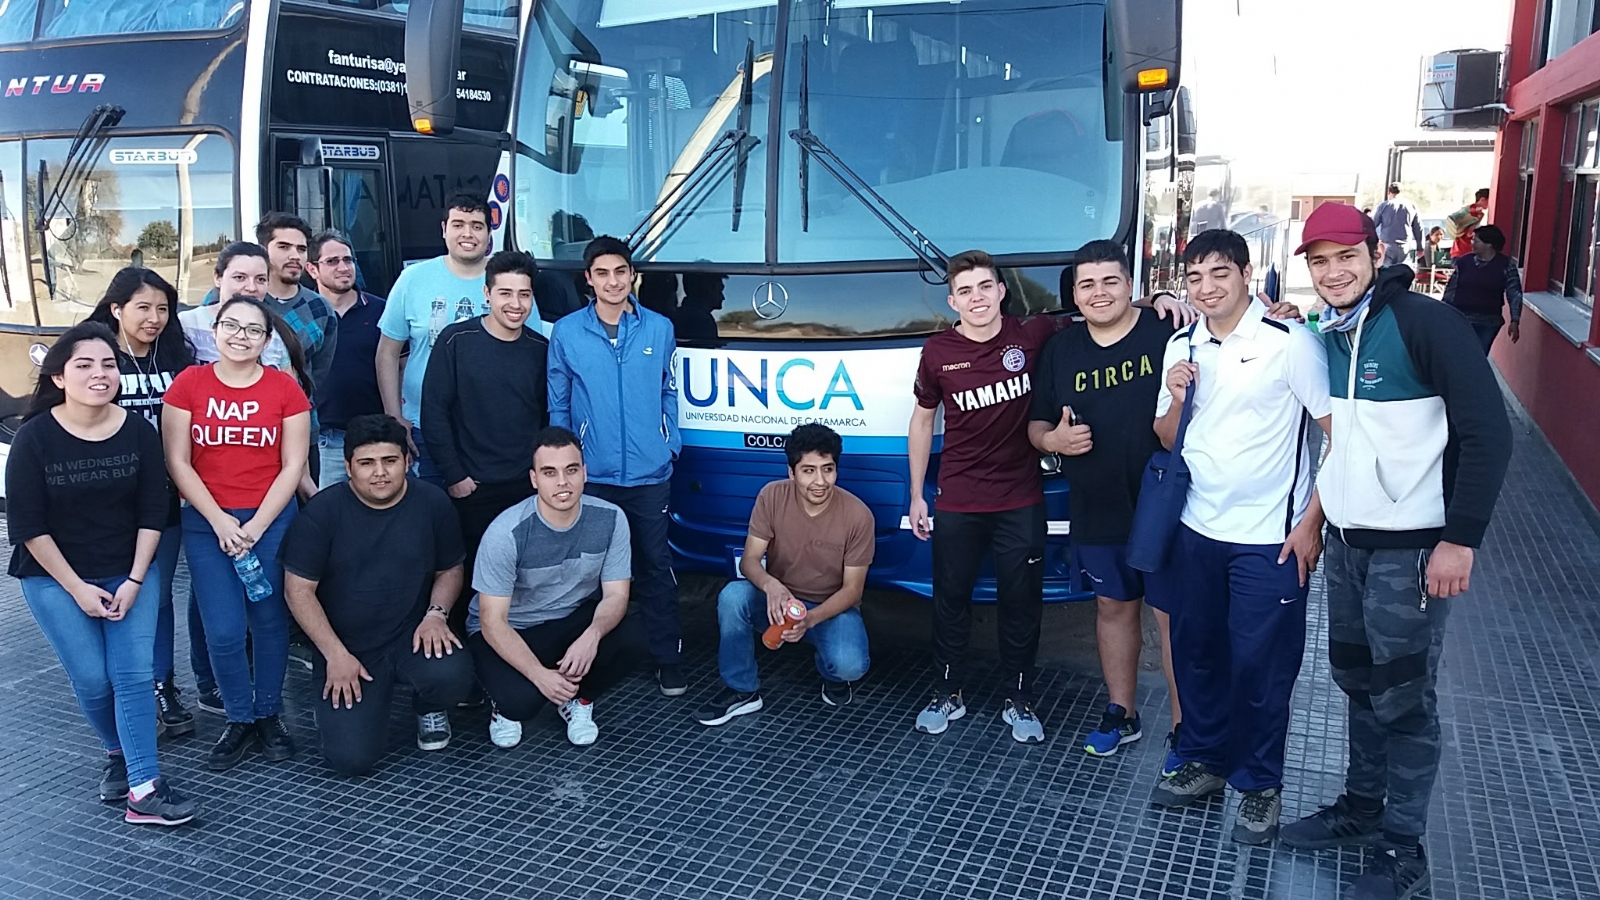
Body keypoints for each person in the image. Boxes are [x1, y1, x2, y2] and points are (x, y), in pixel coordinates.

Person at [1284, 203, 1512, 900]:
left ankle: (1403, 848)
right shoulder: (1329, 331)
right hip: (1349, 544)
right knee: (1358, 681)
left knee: (1405, 698)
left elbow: (1489, 433)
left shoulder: (1424, 323)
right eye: (1319, 262)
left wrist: (1460, 540)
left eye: (1345, 257)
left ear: (1375, 254)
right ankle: (1361, 809)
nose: (1333, 272)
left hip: (1412, 550)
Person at [907, 249, 1194, 745]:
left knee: (1025, 604)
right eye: (966, 291)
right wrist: (916, 493)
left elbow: (1106, 308)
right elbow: (923, 419)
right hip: (960, 498)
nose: (977, 298)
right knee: (950, 600)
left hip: (1025, 498)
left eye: (985, 287)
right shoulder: (937, 352)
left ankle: (1022, 700)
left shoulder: (1037, 334)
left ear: (1002, 292)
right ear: (953, 301)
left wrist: (1160, 298)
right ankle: (947, 693)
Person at [1149, 229, 1332, 846]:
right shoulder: (1181, 342)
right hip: (1195, 529)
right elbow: (1167, 436)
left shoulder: (1290, 341)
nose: (1207, 288)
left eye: (1219, 273)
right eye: (1194, 277)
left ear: (1247, 274)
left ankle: (1259, 786)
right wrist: (1178, 397)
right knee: (1197, 653)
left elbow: (1339, 433)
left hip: (1268, 539)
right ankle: (1203, 759)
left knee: (1261, 666)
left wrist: (1312, 522)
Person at [5, 321, 199, 826]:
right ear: (59, 377)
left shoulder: (138, 431)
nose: (100, 374)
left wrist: (135, 580)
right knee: (93, 680)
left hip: (128, 571)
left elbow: (154, 510)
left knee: (131, 676)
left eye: (109, 364)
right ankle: (118, 752)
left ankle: (144, 788)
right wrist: (78, 589)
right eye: (84, 365)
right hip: (54, 578)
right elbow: (27, 526)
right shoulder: (34, 438)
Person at [1027, 240, 1184, 767]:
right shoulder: (1060, 350)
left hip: (1165, 503)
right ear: (1074, 294)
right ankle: (1122, 712)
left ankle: (1185, 731)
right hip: (1096, 502)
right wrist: (1052, 441)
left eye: (1110, 281)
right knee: (1113, 608)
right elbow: (1037, 424)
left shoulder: (1166, 330)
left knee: (1171, 616)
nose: (1099, 293)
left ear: (1130, 286)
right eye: (1087, 284)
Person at [162, 297, 312, 772]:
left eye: (252, 330)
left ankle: (268, 713)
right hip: (207, 521)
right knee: (223, 628)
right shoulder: (189, 384)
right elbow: (177, 461)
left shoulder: (284, 388)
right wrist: (220, 520)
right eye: (231, 326)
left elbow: (293, 465)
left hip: (269, 519)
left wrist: (256, 526)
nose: (240, 336)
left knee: (268, 620)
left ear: (267, 341)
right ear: (215, 330)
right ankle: (238, 716)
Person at [281, 415, 474, 776]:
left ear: (407, 460)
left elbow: (450, 567)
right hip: (347, 645)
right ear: (348, 467)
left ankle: (428, 707)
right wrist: (335, 654)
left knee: (455, 674)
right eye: (367, 463)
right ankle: (340, 709)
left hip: (411, 635)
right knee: (350, 760)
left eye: (390, 460)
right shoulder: (322, 513)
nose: (380, 473)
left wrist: (436, 614)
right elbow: (298, 590)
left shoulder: (431, 502)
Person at [548, 236, 684, 697]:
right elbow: (559, 402)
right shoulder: (567, 332)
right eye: (602, 273)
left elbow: (669, 389)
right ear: (588, 279)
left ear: (632, 275)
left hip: (649, 474)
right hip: (593, 475)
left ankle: (668, 658)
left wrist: (669, 445)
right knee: (586, 574)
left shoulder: (658, 328)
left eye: (620, 272)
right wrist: (567, 465)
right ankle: (585, 662)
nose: (612, 282)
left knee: (655, 565)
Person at [467, 426, 646, 748]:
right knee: (520, 703)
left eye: (571, 470)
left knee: (637, 635)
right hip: (513, 627)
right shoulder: (506, 532)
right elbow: (492, 621)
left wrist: (592, 636)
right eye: (550, 472)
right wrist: (538, 675)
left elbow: (617, 594)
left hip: (569, 619)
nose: (563, 481)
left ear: (584, 473)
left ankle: (579, 699)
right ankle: (503, 708)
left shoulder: (611, 518)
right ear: (534, 479)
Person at [84, 268, 200, 738]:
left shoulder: (176, 357)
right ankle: (120, 690)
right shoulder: (96, 357)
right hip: (106, 501)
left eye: (163, 308)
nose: (154, 318)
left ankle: (160, 685)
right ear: (116, 309)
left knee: (156, 593)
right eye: (143, 307)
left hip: (163, 498)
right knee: (110, 592)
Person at [693, 424, 874, 725]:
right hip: (777, 602)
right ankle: (741, 690)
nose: (820, 481)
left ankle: (832, 676)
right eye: (808, 471)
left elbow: (853, 590)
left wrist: (809, 619)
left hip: (828, 609)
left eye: (828, 469)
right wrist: (770, 585)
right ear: (791, 472)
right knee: (732, 597)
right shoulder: (772, 496)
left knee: (850, 665)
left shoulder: (858, 515)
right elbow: (749, 560)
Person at [422, 250, 549, 637]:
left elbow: (546, 418)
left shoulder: (540, 349)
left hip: (525, 489)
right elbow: (434, 412)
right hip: (472, 488)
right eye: (506, 293)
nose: (516, 304)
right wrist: (456, 476)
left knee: (524, 581)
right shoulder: (456, 340)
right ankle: (464, 658)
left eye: (524, 294)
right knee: (469, 580)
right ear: (487, 294)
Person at [377, 191, 493, 486]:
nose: (468, 234)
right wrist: (394, 417)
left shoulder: (507, 278)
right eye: (458, 224)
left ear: (489, 233)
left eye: (477, 226)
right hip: (422, 428)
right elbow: (387, 353)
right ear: (444, 229)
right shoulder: (413, 279)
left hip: (490, 430)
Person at [307, 230, 387, 488]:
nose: (343, 267)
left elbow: (400, 365)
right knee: (330, 509)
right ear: (312, 269)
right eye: (332, 261)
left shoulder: (381, 310)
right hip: (326, 439)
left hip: (377, 435)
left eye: (348, 260)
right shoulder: (304, 314)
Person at [255, 213, 339, 398]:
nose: (295, 256)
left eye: (301, 249)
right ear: (263, 250)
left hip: (300, 411)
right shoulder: (241, 299)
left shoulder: (321, 309)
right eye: (284, 247)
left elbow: (317, 375)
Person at [1442, 223, 1524, 355]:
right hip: (1461, 319)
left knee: (1478, 356)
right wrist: (1443, 313)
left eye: (1476, 241)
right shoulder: (1463, 263)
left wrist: (1515, 320)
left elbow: (1514, 294)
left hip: (1488, 322)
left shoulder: (1505, 266)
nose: (1472, 243)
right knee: (1459, 355)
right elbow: (1450, 290)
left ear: (1489, 244)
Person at [1371, 183, 1423, 267]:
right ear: (1401, 192)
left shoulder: (1384, 206)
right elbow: (1418, 228)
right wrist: (1420, 247)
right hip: (1405, 246)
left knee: (1386, 271)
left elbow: (1372, 224)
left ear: (1389, 192)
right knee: (1402, 271)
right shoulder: (1411, 206)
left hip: (1387, 245)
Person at [1450, 187, 1491, 258]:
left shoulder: (1467, 209)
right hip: (1464, 251)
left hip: (1457, 250)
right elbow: (1469, 233)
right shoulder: (1476, 213)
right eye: (1489, 200)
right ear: (1482, 199)